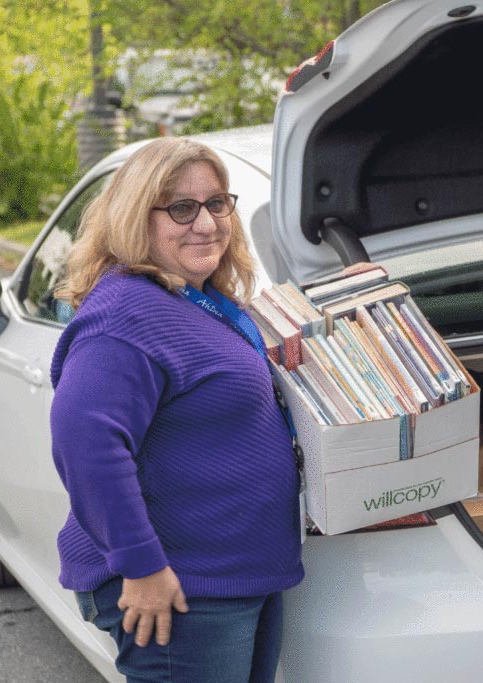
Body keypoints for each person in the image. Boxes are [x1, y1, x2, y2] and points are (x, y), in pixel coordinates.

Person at [50, 137, 304, 682]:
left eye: (217, 203)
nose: (207, 223)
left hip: (233, 575)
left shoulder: (199, 299)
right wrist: (140, 566)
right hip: (180, 587)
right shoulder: (124, 314)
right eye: (181, 208)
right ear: (135, 218)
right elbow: (86, 444)